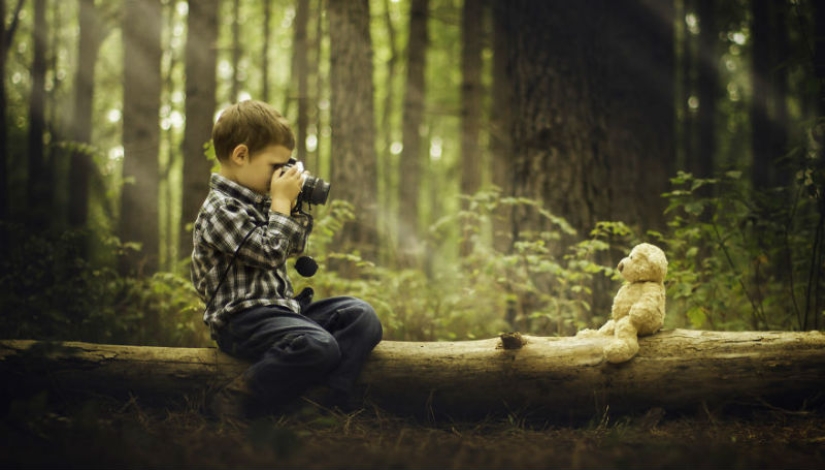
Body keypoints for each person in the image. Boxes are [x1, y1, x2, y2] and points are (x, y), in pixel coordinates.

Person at [190, 100, 383, 419]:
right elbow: (269, 253)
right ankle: (237, 394)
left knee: (360, 315)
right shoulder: (219, 209)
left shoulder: (262, 200)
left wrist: (291, 206)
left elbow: (293, 246)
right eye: (274, 166)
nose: (278, 175)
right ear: (241, 155)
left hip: (282, 310)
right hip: (241, 321)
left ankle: (328, 396)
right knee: (318, 344)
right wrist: (280, 202)